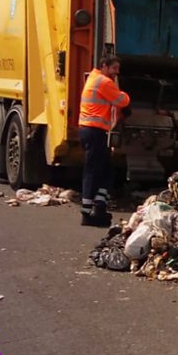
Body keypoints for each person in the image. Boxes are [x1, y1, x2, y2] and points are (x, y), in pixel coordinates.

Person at [78, 55, 131, 227]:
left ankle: (100, 206)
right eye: (114, 68)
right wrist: (124, 93)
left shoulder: (95, 78)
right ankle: (86, 213)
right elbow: (122, 100)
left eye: (118, 69)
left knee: (107, 170)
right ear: (104, 66)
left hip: (92, 130)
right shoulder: (103, 81)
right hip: (94, 131)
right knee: (93, 171)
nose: (117, 73)